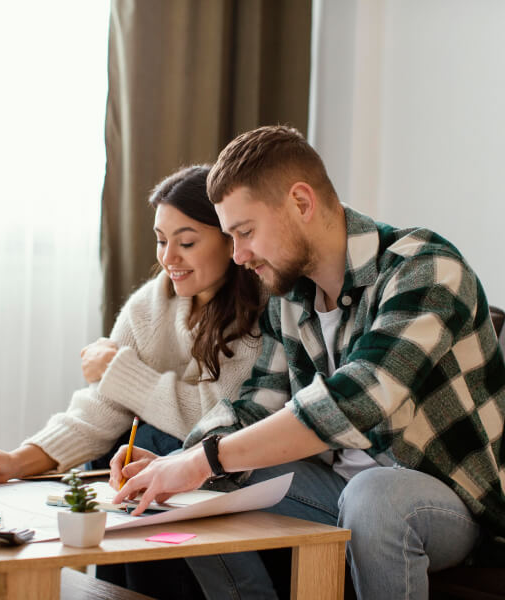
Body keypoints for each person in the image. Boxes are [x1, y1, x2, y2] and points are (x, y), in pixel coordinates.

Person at [111, 126, 505, 600]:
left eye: (246, 232)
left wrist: (200, 460)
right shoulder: (290, 300)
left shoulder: (426, 268)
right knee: (202, 483)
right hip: (334, 491)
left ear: (301, 202)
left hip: (447, 506)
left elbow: (358, 400)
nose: (238, 256)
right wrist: (177, 463)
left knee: (373, 495)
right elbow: (254, 404)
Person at [0, 164, 263, 486]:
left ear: (230, 240)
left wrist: (117, 371)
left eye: (186, 243)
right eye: (161, 241)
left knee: (146, 439)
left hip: (217, 460)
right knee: (116, 449)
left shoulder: (259, 308)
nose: (168, 258)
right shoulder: (149, 305)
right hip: (163, 454)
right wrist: (17, 460)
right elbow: (102, 407)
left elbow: (215, 419)